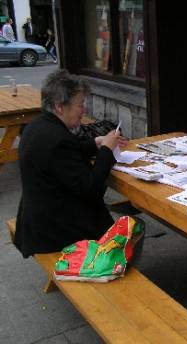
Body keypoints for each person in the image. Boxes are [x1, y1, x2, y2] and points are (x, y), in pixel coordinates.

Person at [14, 69, 128, 258]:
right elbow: (91, 187)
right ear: (60, 106)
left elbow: (64, 156)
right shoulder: (58, 139)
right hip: (55, 230)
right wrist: (107, 151)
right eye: (80, 104)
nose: (84, 110)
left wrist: (95, 143)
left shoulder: (38, 125)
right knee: (127, 234)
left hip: (40, 217)